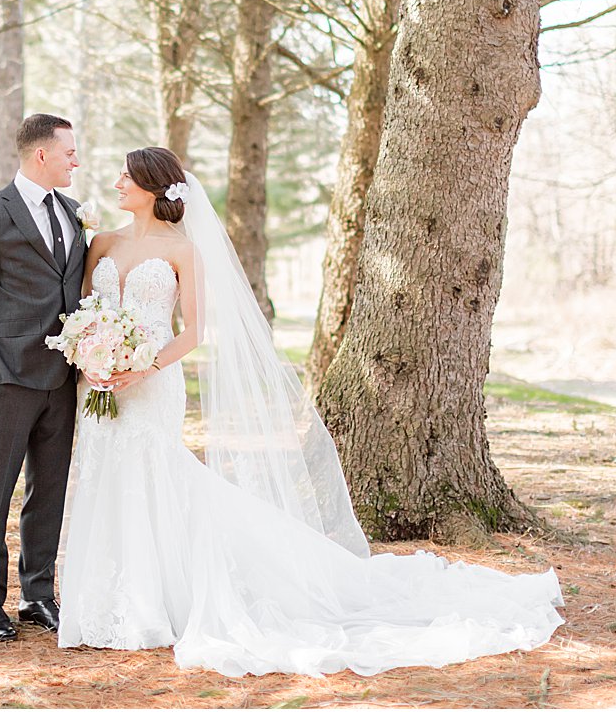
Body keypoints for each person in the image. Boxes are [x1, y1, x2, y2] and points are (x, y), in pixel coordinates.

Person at [57, 146, 565, 677]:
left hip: (151, 382)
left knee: (154, 476)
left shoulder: (184, 250)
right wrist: (91, 356)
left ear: (154, 187)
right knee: (104, 476)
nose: (116, 182)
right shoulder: (103, 243)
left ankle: (149, 606)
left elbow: (194, 332)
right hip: (100, 384)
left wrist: (142, 368)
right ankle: (102, 602)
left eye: (126, 175)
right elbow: (89, 310)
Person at [0, 114, 86, 641]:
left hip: (64, 379)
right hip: (6, 377)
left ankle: (37, 593)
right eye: (70, 152)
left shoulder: (74, 214)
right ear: (41, 155)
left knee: (48, 489)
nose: (77, 160)